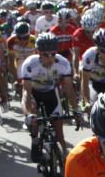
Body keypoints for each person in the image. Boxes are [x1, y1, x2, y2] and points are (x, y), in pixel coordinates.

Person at [20, 32, 77, 164]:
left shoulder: (62, 63)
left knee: (59, 130)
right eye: (46, 54)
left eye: (53, 54)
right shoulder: (29, 64)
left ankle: (64, 155)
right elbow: (26, 92)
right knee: (34, 118)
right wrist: (28, 114)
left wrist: (76, 109)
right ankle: (35, 143)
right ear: (38, 52)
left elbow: (69, 89)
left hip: (51, 94)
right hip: (34, 93)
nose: (50, 58)